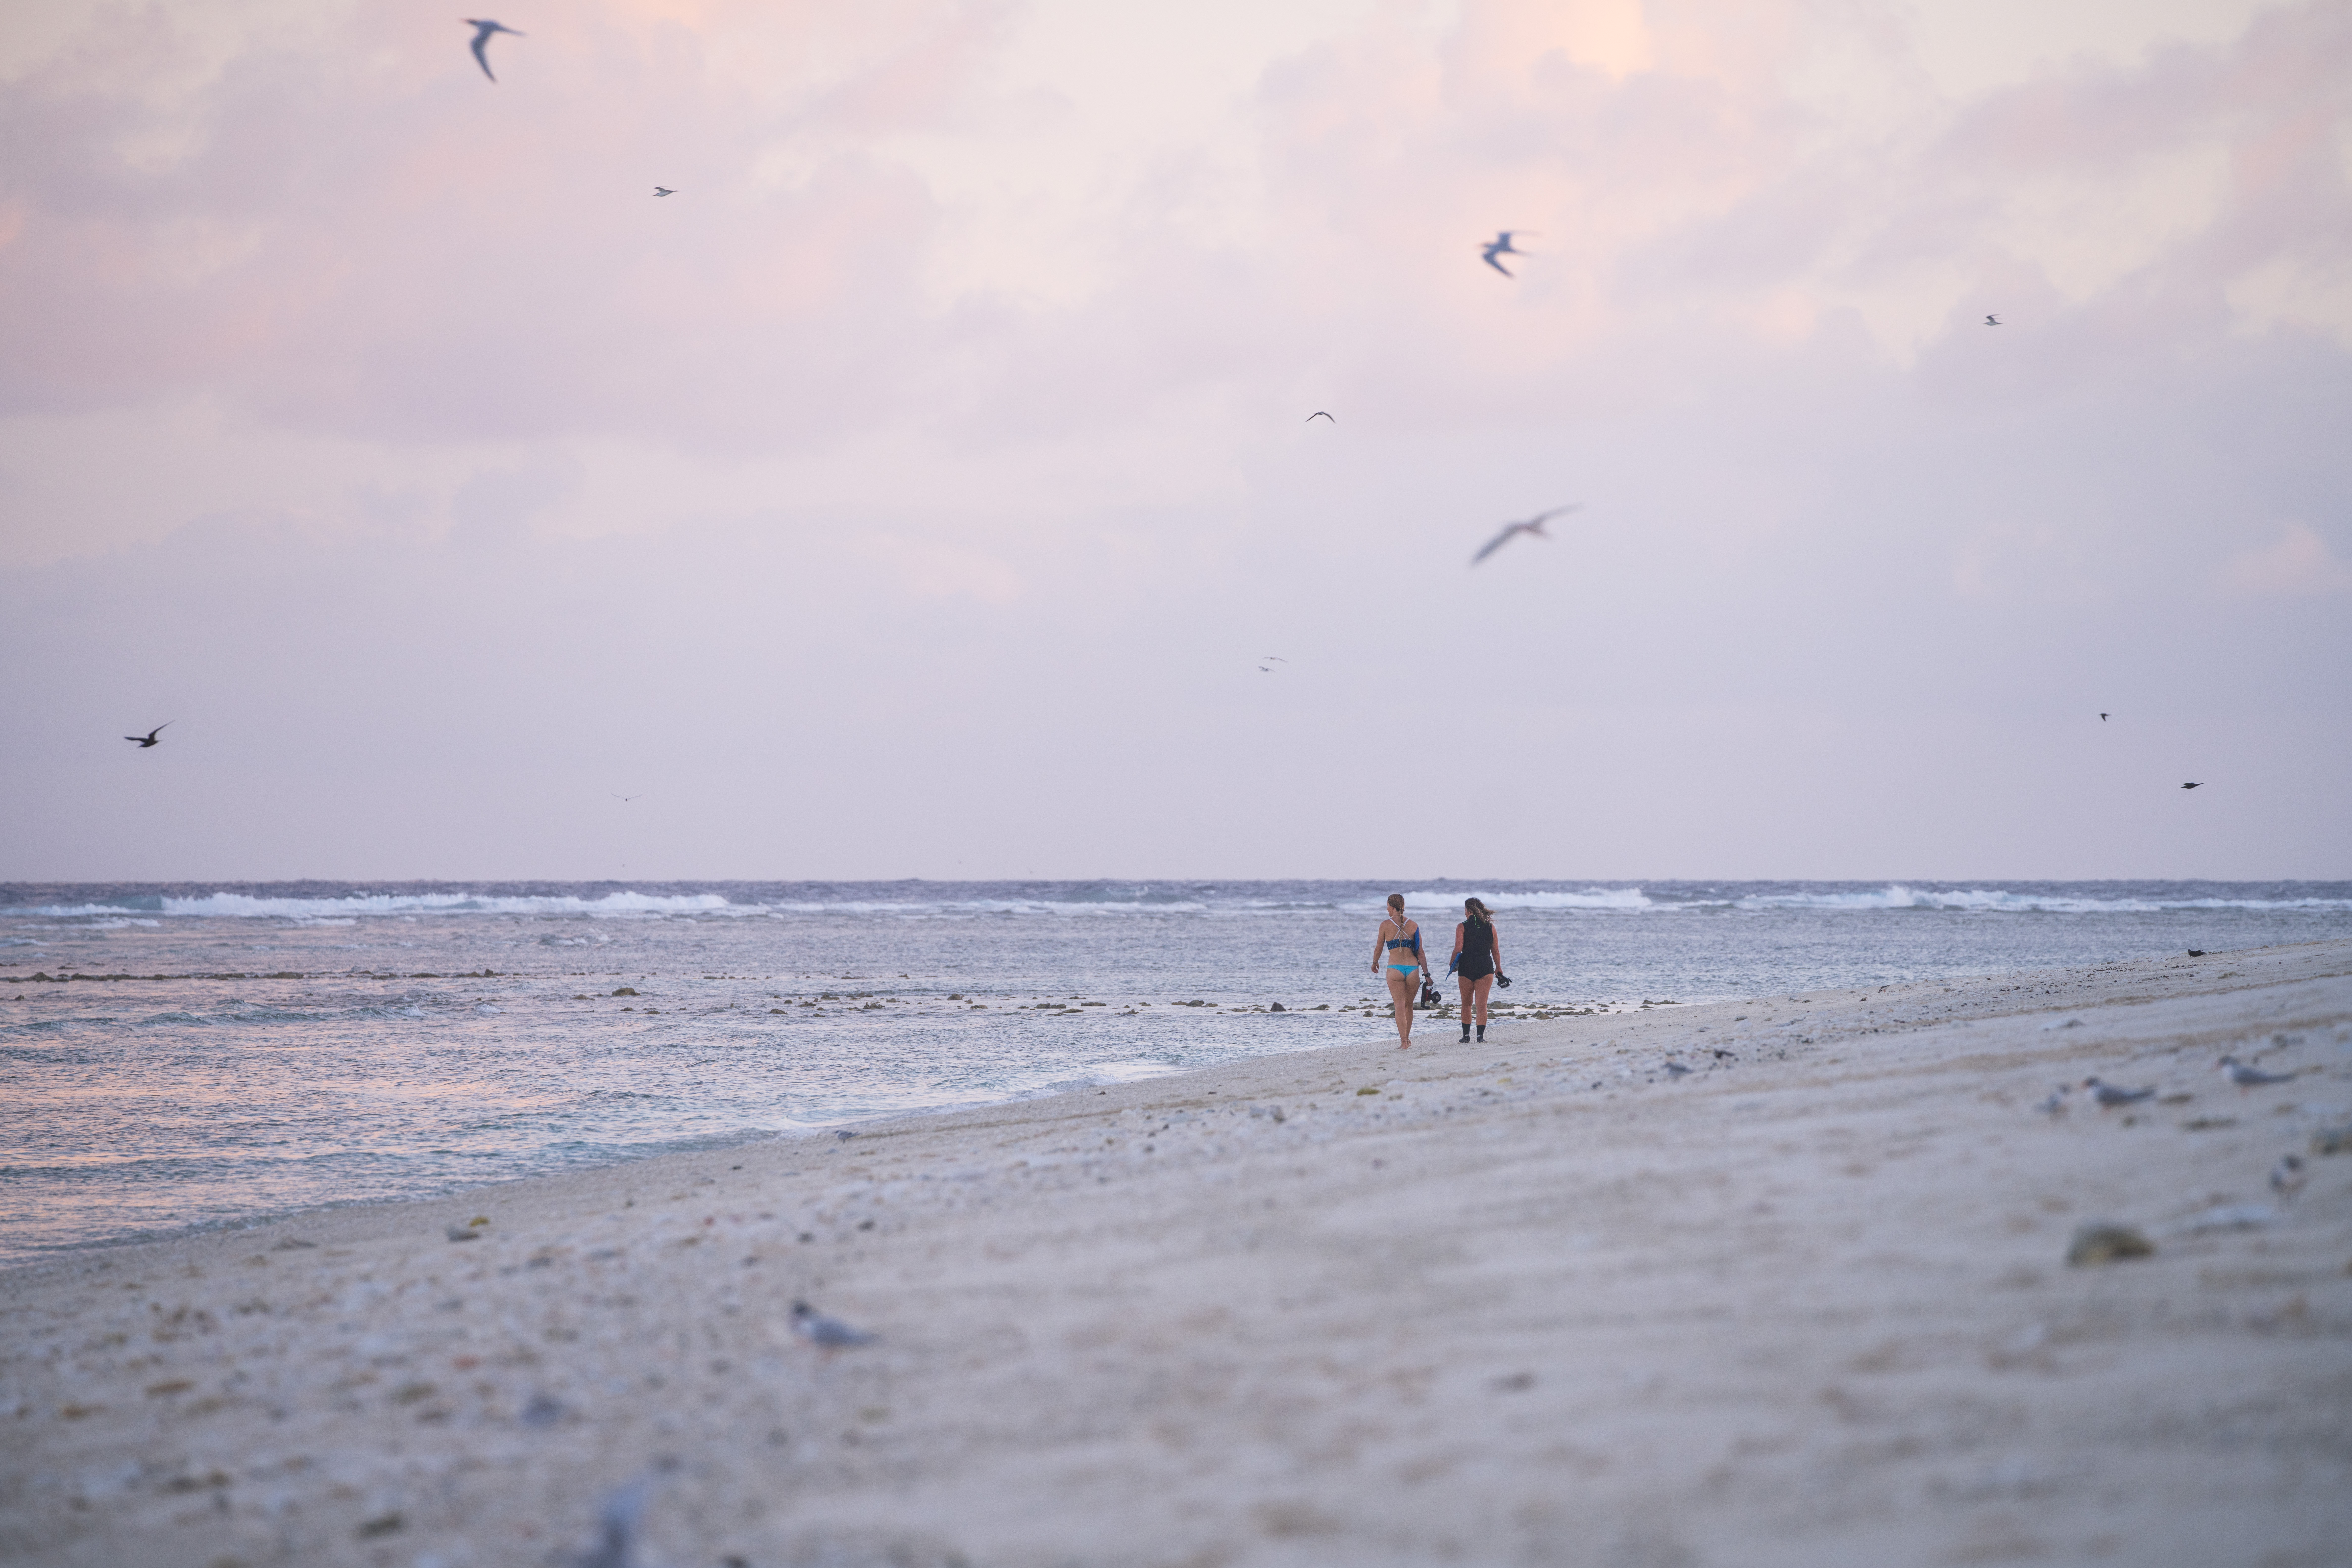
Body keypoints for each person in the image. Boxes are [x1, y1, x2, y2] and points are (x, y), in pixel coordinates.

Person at [1370, 893, 1426, 1049]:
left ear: (1393, 907)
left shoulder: (1385, 925)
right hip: (1414, 970)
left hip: (1395, 970)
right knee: (1409, 1006)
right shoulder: (1414, 925)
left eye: (1387, 905)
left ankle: (1403, 1043)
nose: (1387, 908)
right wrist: (1427, 975)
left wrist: (1375, 963)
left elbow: (1378, 949)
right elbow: (1421, 952)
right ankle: (1408, 1039)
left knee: (1400, 1007)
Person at [1451, 897, 1502, 1043]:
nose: (1465, 913)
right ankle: (1480, 1037)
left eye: (1465, 910)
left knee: (1466, 1004)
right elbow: (1496, 951)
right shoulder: (1491, 927)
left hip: (1467, 967)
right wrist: (1499, 968)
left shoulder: (1462, 926)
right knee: (1482, 1005)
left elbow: (1458, 949)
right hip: (1486, 968)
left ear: (1469, 911)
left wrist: (1452, 965)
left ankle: (1466, 1037)